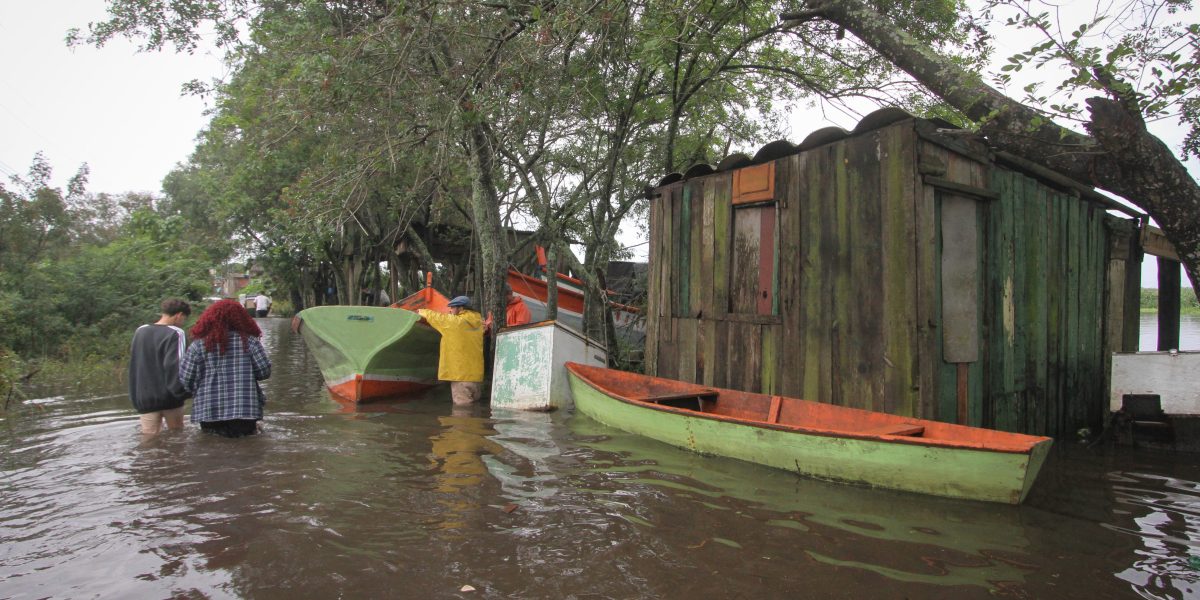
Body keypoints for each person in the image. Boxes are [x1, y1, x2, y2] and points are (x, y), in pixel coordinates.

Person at [180, 299, 272, 437]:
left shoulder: (197, 346)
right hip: (245, 410)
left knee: (211, 445)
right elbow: (264, 372)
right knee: (247, 446)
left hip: (208, 411)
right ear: (241, 319)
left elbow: (186, 379)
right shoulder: (250, 342)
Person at [128, 298, 192, 435]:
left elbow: (135, 364)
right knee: (177, 436)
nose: (183, 322)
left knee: (149, 438)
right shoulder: (177, 333)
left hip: (144, 398)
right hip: (170, 397)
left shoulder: (140, 331)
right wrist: (183, 393)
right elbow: (176, 365)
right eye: (184, 319)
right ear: (179, 315)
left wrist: (136, 396)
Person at [417, 295, 485, 405]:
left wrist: (421, 311)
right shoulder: (479, 324)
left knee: (462, 412)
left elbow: (437, 317)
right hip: (476, 378)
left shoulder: (455, 322)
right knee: (475, 408)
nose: (450, 310)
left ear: (461, 308)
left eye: (452, 307)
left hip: (461, 377)